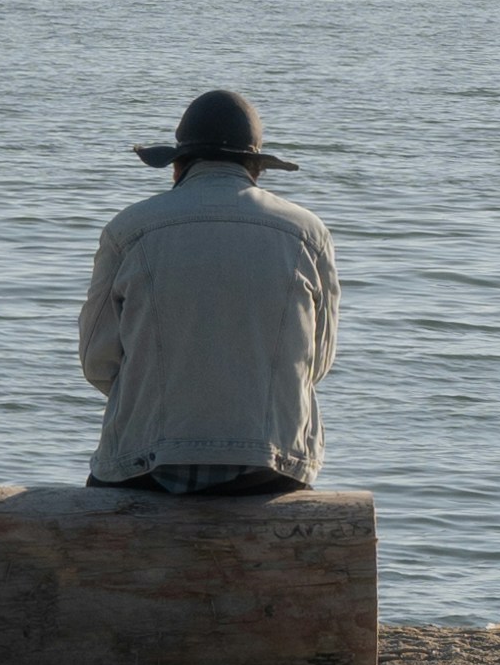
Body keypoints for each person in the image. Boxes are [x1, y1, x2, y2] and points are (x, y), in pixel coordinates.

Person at [79, 88, 338, 496]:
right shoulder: (309, 235)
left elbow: (98, 362)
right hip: (272, 470)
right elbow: (317, 364)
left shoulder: (127, 230)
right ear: (257, 169)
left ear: (177, 166)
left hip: (144, 467)